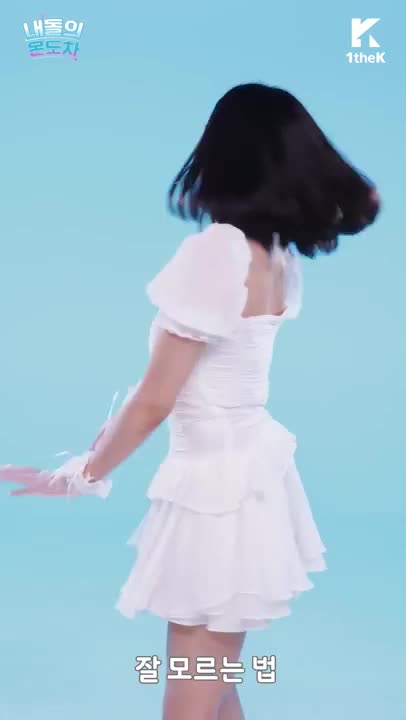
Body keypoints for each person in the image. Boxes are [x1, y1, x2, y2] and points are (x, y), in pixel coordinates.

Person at [0, 83, 380, 720]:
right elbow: (181, 389)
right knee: (215, 690)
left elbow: (157, 399)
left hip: (215, 496)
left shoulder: (218, 252)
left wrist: (81, 476)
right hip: (242, 483)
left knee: (194, 701)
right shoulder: (275, 256)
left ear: (223, 154)